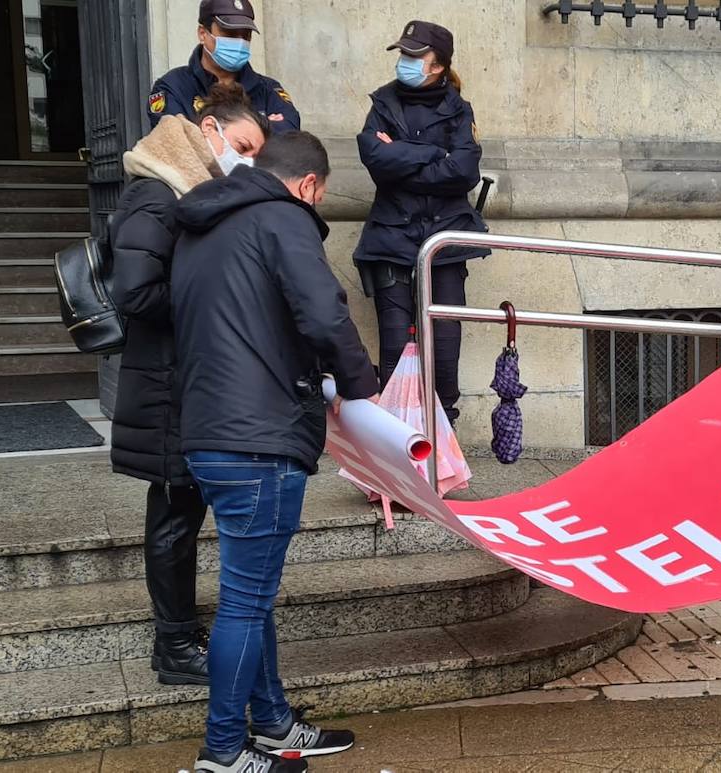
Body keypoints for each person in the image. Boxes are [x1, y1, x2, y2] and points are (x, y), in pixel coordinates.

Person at [171, 131, 378, 773]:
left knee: (248, 594)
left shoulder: (204, 222)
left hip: (208, 431)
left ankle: (274, 725)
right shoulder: (284, 219)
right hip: (259, 437)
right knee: (244, 603)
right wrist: (360, 384)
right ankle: (225, 752)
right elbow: (323, 313)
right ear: (309, 186)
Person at [109, 82, 269, 687]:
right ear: (210, 131)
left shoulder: (193, 191)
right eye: (244, 145)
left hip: (186, 376)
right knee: (174, 514)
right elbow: (137, 292)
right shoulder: (157, 192)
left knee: (181, 509)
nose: (248, 159)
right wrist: (216, 297)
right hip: (166, 381)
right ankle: (173, 645)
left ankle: (179, 633)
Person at [354, 20, 490, 423]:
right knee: (396, 351)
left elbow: (464, 172)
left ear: (438, 65)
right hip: (391, 239)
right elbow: (375, 161)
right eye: (403, 54)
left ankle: (441, 439)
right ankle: (397, 446)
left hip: (445, 241)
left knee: (444, 351)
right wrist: (433, 155)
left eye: (415, 56)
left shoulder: (458, 109)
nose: (405, 62)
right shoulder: (382, 102)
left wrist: (403, 154)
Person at [147, 0, 300, 133]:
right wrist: (262, 125)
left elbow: (289, 138)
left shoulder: (268, 89)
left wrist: (211, 131)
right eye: (230, 33)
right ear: (202, 34)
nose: (240, 42)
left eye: (246, 35)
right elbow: (178, 145)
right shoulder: (172, 87)